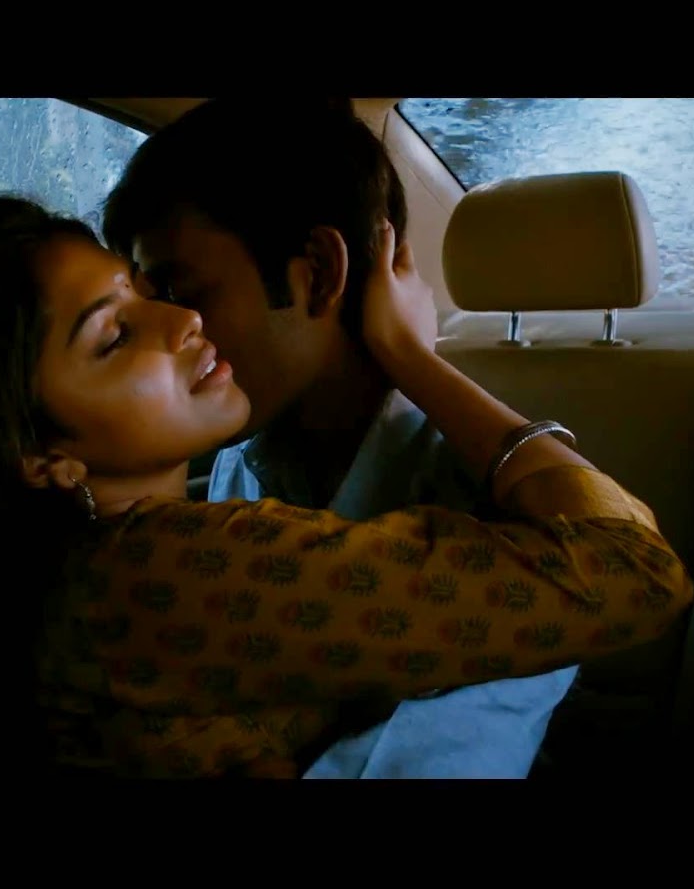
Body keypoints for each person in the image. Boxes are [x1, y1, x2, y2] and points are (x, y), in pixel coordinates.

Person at [0, 193, 692, 777]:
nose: (182, 320)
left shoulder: (80, 573)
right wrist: (411, 356)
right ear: (39, 456)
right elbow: (635, 574)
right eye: (113, 337)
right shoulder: (164, 573)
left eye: (150, 290)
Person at [99, 97, 583, 777]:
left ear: (320, 274)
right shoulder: (243, 460)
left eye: (183, 293)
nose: (170, 332)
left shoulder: (503, 523)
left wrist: (412, 359)